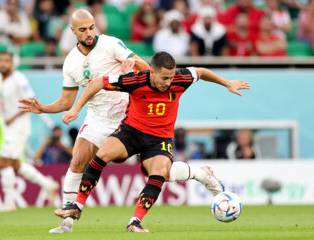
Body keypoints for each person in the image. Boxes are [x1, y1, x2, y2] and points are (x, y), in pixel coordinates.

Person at [19, 9, 226, 234]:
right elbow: (66, 101)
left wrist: (140, 80)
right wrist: (44, 108)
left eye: (91, 27)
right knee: (78, 160)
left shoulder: (110, 44)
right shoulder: (70, 62)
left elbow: (142, 66)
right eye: (83, 30)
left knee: (158, 172)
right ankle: (67, 221)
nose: (89, 33)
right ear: (72, 31)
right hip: (98, 118)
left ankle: (199, 174)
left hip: (130, 115)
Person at [56, 51, 250, 232]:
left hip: (159, 140)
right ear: (152, 72)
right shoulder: (135, 80)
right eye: (165, 77)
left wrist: (227, 83)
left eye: (171, 77)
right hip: (131, 133)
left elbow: (201, 72)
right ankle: (77, 206)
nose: (169, 82)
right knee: (102, 154)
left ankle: (135, 222)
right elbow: (97, 82)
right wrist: (75, 109)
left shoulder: (181, 78)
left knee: (159, 173)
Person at [0, 51, 59, 212]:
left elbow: (31, 100)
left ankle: (10, 203)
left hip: (19, 125)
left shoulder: (19, 79)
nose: (3, 64)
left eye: (6, 61)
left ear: (12, 63)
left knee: (4, 160)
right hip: (8, 126)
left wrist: (14, 116)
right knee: (16, 165)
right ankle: (48, 185)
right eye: (1, 61)